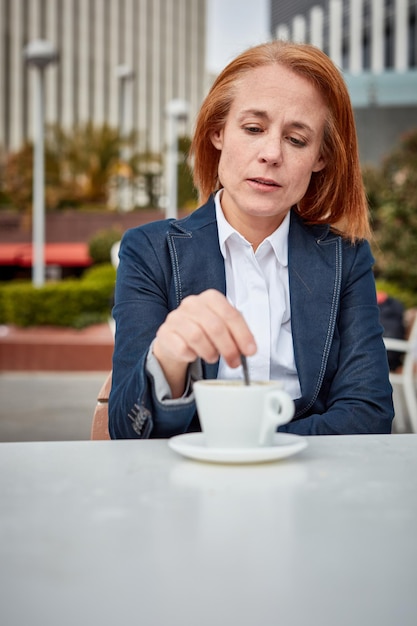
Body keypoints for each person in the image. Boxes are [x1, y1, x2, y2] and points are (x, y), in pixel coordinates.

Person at [108, 40, 394, 438]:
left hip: (314, 485)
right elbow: (125, 428)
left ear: (320, 158)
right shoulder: (150, 251)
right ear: (218, 131)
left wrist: (250, 446)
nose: (271, 153)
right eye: (254, 128)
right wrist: (168, 358)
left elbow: (369, 413)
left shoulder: (346, 259)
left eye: (297, 139)